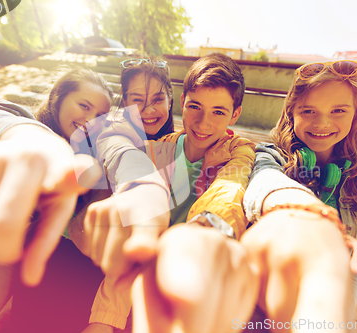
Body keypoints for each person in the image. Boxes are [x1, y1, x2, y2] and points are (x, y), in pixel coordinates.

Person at [81, 52, 258, 332]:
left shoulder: (239, 151)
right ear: (183, 103)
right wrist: (103, 320)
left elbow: (230, 188)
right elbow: (139, 232)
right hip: (144, 267)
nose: (203, 123)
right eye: (195, 107)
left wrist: (206, 227)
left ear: (235, 114)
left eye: (219, 112)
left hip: (197, 264)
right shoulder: (160, 147)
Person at [0, 67, 113, 332]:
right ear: (57, 97)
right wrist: (38, 142)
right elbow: (12, 125)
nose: (90, 120)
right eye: (84, 105)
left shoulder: (79, 175)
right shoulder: (10, 116)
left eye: (100, 116)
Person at [242, 60, 357, 324]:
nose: (323, 122)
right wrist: (309, 212)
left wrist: (341, 316)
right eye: (309, 110)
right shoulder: (271, 156)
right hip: (257, 311)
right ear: (291, 112)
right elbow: (265, 181)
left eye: (338, 110)